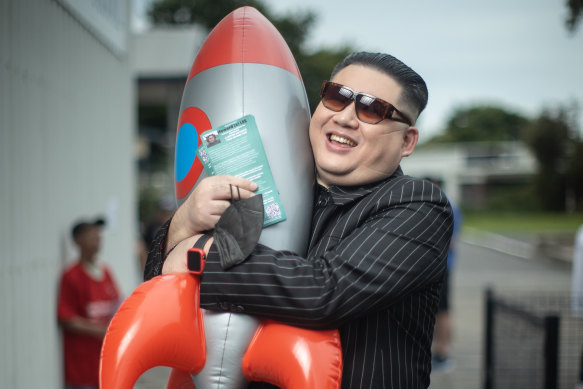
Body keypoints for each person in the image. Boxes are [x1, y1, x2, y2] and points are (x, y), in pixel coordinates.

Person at [145, 52, 454, 388]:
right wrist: (183, 222)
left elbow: (326, 290)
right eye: (337, 97)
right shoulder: (279, 186)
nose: (346, 118)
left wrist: (200, 254)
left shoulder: (418, 203)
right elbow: (159, 284)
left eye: (372, 109)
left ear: (407, 141)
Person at [57, 217, 121, 389]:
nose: (97, 238)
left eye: (98, 234)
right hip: (82, 369)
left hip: (106, 364)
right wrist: (100, 330)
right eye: (91, 234)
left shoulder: (105, 271)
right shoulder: (71, 275)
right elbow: (66, 318)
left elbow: (118, 303)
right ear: (77, 240)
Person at [426, 178, 463, 373]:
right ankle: (440, 352)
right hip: (437, 267)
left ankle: (444, 353)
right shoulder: (445, 203)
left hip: (442, 267)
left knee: (442, 311)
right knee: (438, 310)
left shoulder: (445, 205)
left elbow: (449, 240)